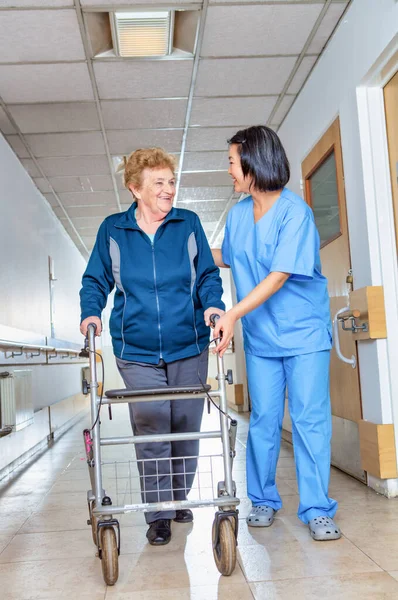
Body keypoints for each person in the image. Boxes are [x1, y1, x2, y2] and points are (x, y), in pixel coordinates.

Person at [80, 148, 225, 546]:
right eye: (158, 183)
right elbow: (95, 280)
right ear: (135, 189)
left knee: (185, 428)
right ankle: (159, 511)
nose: (168, 190)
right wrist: (90, 313)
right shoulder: (113, 230)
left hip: (189, 342)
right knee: (152, 428)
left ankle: (178, 496)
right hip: (136, 348)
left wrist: (213, 305)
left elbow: (207, 277)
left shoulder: (188, 224)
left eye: (171, 181)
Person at [212, 125, 340, 542]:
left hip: (303, 335)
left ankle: (318, 508)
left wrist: (232, 314)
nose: (229, 170)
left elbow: (280, 274)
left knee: (308, 419)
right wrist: (183, 243)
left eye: (232, 162)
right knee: (264, 419)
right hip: (263, 339)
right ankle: (263, 499)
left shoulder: (295, 213)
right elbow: (229, 258)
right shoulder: (236, 215)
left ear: (253, 163)